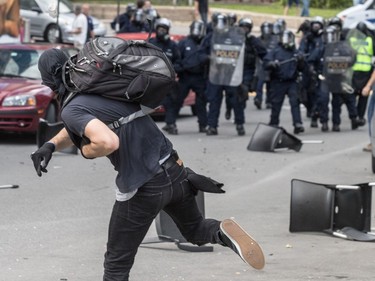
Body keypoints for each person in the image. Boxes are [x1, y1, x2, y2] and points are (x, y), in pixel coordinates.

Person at [31, 47, 265, 281]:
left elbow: (107, 141)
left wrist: (86, 151)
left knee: (116, 263)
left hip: (145, 188)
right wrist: (50, 145)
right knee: (196, 230)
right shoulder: (104, 89)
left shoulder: (72, 107)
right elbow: (87, 122)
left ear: (49, 81)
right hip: (176, 171)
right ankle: (222, 231)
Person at [263, 30, 305, 134]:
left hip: (292, 81)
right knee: (276, 103)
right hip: (278, 81)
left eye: (289, 38)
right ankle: (274, 122)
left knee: (295, 102)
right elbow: (265, 63)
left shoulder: (296, 52)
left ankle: (297, 123)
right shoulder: (275, 51)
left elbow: (303, 68)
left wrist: (301, 60)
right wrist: (271, 64)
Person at [173, 20, 208, 133]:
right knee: (177, 100)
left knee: (201, 102)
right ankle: (171, 123)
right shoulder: (184, 43)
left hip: (200, 77)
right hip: (186, 76)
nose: (196, 32)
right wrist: (179, 67)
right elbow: (176, 58)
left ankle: (203, 125)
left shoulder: (205, 43)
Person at [149, 18, 181, 135]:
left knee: (171, 101)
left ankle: (171, 124)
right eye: (160, 29)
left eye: (164, 29)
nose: (161, 31)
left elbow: (178, 62)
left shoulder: (172, 45)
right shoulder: (151, 43)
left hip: (167, 80)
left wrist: (173, 69)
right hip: (152, 79)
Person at [349, 21, 375, 127]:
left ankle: (354, 116)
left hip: (354, 71)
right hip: (366, 71)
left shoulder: (351, 40)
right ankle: (359, 116)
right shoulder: (370, 40)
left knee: (351, 95)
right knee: (363, 96)